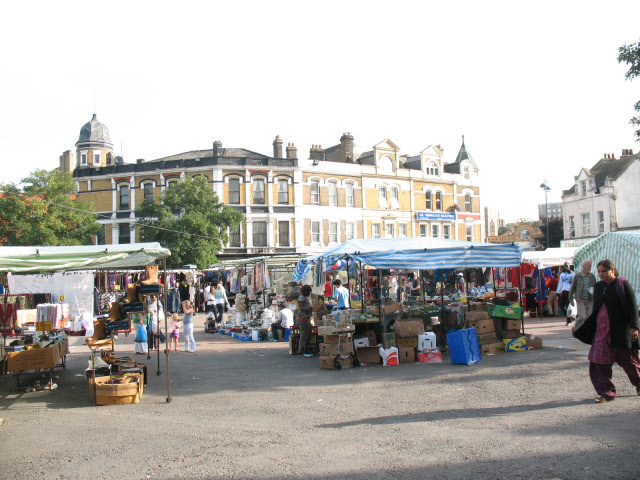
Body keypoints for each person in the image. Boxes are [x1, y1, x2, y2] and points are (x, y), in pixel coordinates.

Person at [587, 259, 640, 403]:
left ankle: (639, 383)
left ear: (613, 270)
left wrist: (634, 327)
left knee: (628, 361)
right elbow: (596, 308)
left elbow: (633, 306)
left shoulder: (622, 284)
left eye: (604, 271)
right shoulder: (598, 287)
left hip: (620, 331)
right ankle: (606, 392)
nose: (601, 274)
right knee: (598, 362)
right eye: (599, 272)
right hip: (601, 333)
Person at [570, 260, 597, 325]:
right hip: (580, 299)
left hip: (590, 299)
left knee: (590, 316)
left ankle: (586, 331)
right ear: (584, 266)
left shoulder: (592, 276)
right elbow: (573, 288)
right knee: (583, 316)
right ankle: (576, 327)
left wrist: (594, 294)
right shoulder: (578, 276)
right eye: (589, 265)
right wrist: (571, 300)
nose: (590, 267)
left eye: (590, 265)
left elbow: (595, 286)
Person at [296, 285, 313, 355]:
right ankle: (301, 350)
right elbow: (301, 308)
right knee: (304, 335)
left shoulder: (304, 298)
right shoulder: (301, 298)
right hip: (303, 319)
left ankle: (306, 349)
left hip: (306, 319)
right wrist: (309, 308)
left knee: (308, 335)